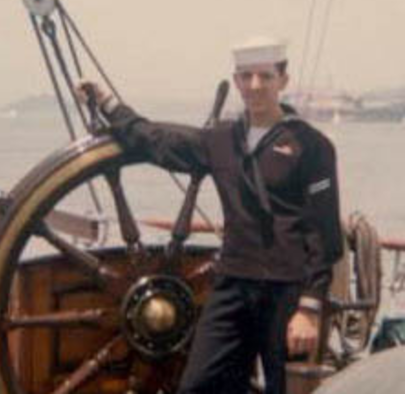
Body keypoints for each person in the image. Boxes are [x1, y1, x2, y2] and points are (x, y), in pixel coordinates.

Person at [77, 37, 344, 394]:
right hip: (233, 285)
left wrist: (310, 309)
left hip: (289, 292)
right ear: (235, 81)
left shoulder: (312, 147)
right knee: (198, 385)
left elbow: (324, 234)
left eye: (265, 76)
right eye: (246, 77)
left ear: (283, 80)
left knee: (287, 389)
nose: (255, 86)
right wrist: (109, 104)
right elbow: (156, 139)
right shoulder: (221, 140)